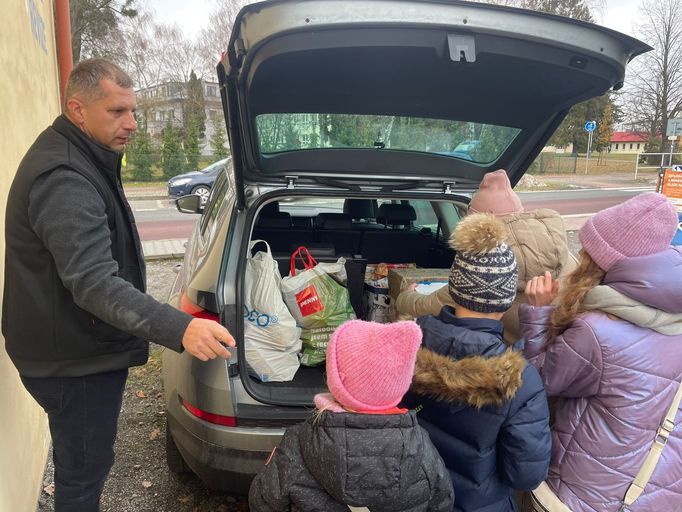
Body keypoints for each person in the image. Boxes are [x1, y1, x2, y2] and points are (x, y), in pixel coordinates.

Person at [2, 59, 235, 510]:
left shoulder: (82, 155)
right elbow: (93, 284)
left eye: (132, 111)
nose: (131, 123)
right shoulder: (65, 177)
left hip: (70, 347)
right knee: (83, 473)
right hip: (72, 362)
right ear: (78, 109)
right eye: (116, 112)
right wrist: (181, 328)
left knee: (85, 462)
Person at [520, 192, 682, 511]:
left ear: (599, 262)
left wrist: (538, 313)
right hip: (658, 492)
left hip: (587, 494)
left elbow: (538, 383)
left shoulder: (596, 332)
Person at [403, 213, 551, 512]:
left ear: (453, 287)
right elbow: (525, 475)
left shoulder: (408, 342)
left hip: (411, 498)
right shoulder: (520, 380)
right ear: (509, 299)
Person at [248, 319, 455, 512]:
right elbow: (443, 502)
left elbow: (262, 502)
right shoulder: (422, 447)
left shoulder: (298, 444)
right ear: (400, 385)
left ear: (336, 380)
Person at [395, 169, 576, 343]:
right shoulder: (566, 258)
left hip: (501, 359)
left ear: (473, 226)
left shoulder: (480, 266)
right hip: (558, 357)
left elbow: (422, 305)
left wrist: (405, 295)